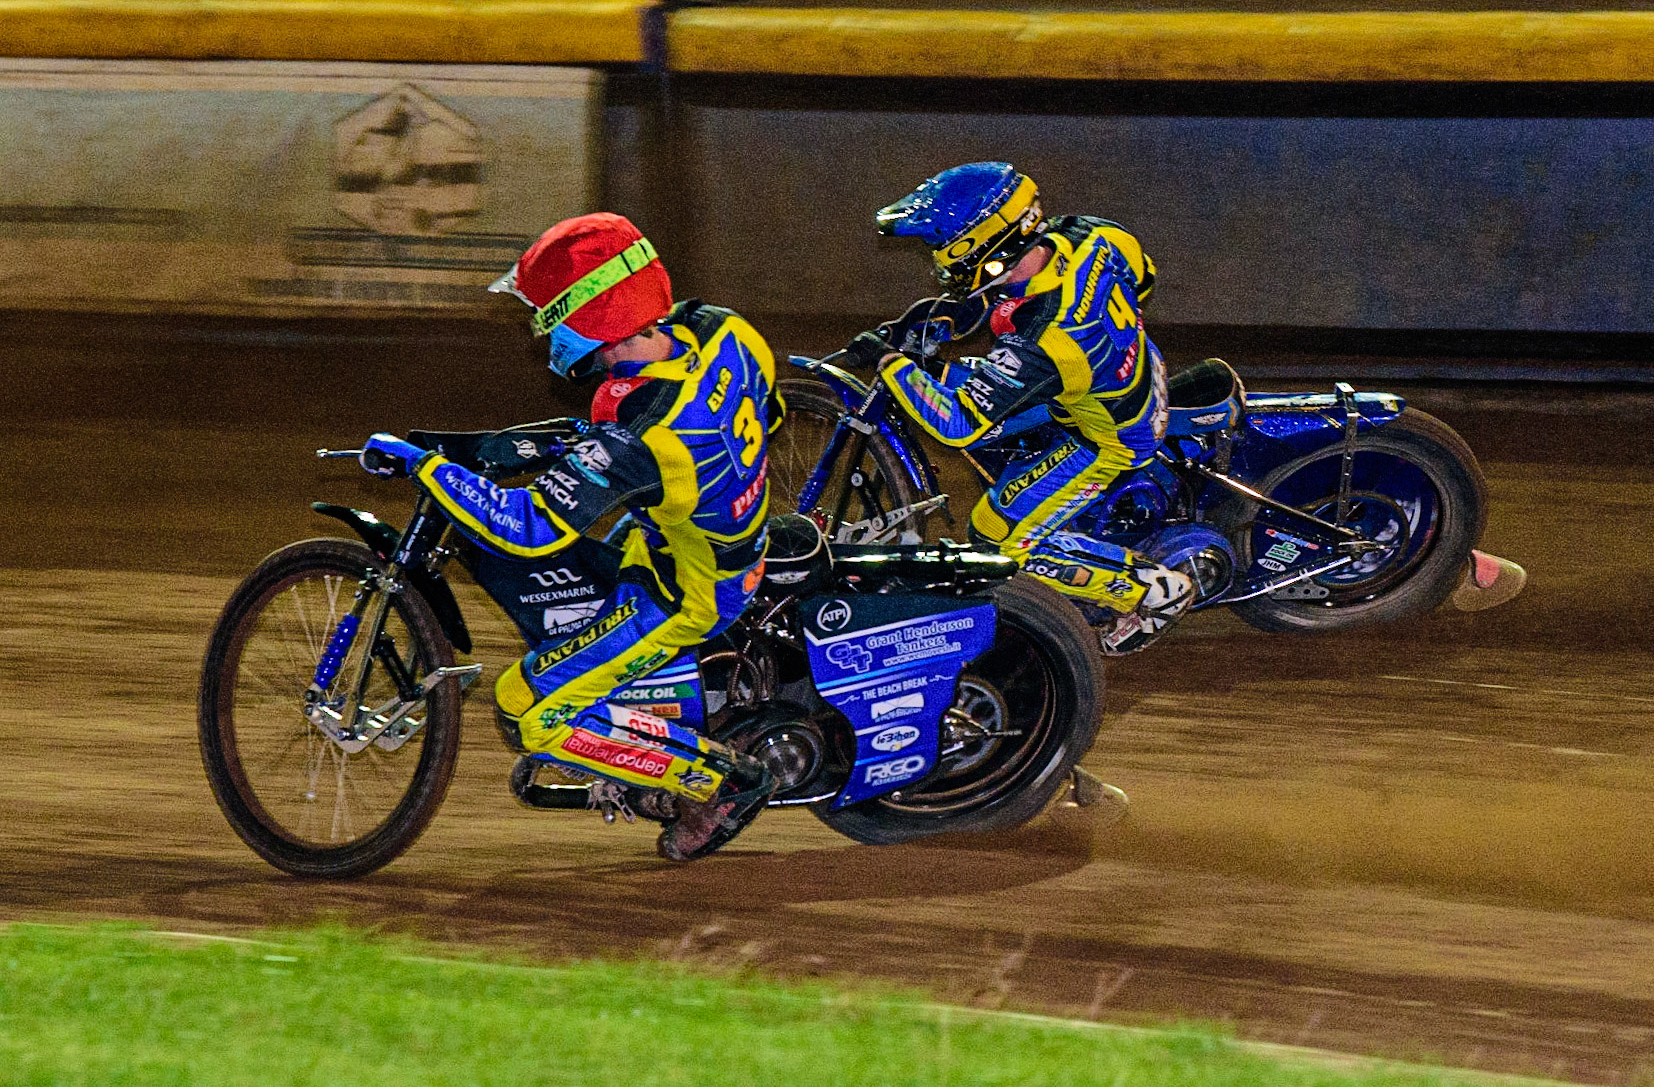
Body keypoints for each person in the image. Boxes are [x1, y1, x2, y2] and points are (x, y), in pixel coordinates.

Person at [359, 212, 781, 861]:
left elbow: (526, 526)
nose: (544, 329)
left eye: (549, 314)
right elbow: (773, 409)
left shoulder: (644, 434)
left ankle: (718, 785)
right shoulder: (724, 329)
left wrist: (426, 466)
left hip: (684, 591)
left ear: (588, 317)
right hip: (717, 534)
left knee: (524, 707)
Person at [846, 162, 1193, 655]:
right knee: (973, 390)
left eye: (943, 246)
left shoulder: (1049, 340)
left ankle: (1152, 592)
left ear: (985, 244)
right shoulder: (1086, 232)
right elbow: (1145, 275)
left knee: (994, 542)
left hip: (1107, 436)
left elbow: (956, 424)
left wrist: (889, 363)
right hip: (1125, 374)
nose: (937, 258)